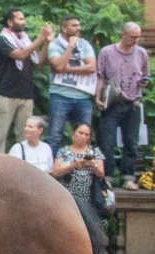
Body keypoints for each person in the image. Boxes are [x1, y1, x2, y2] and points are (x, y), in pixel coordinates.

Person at [0, 9, 53, 155]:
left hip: (25, 94)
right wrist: (40, 38)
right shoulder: (2, 40)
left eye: (24, 19)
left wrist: (46, 43)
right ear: (10, 22)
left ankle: (21, 171)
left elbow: (39, 64)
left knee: (24, 137)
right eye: (20, 19)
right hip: (5, 94)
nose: (23, 22)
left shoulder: (25, 40)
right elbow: (20, 55)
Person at [96, 22, 149, 191]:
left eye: (137, 37)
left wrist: (145, 82)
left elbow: (146, 75)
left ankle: (128, 177)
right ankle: (108, 177)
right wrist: (98, 97)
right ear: (123, 34)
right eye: (132, 37)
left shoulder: (141, 53)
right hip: (112, 102)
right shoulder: (106, 52)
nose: (135, 40)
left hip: (133, 102)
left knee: (131, 143)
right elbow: (100, 76)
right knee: (108, 142)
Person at [46, 16, 97, 155]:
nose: (79, 28)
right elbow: (58, 64)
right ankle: (55, 172)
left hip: (83, 97)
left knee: (84, 135)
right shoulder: (55, 44)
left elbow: (91, 67)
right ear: (64, 28)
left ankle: (80, 171)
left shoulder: (85, 44)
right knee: (56, 136)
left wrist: (65, 70)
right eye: (74, 25)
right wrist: (70, 46)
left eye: (79, 25)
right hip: (60, 96)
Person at [53, 122, 106, 203]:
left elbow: (101, 174)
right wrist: (73, 165)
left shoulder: (94, 151)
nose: (83, 137)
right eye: (80, 133)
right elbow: (56, 172)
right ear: (73, 132)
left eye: (86, 134)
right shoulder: (64, 151)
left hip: (90, 198)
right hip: (68, 197)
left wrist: (93, 165)